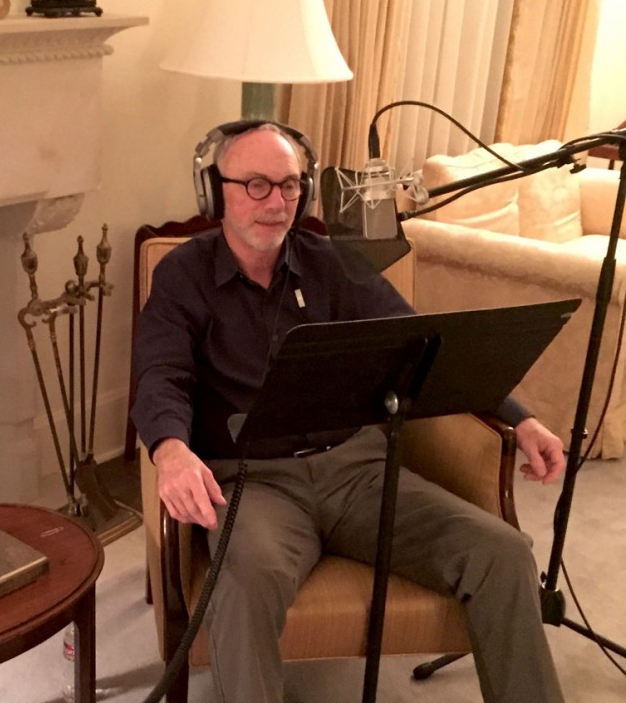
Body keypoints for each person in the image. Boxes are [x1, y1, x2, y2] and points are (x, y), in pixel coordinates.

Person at [131, 120, 566, 703]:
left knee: (502, 553)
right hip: (254, 482)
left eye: (289, 185)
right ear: (214, 191)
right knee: (244, 578)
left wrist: (521, 418)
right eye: (256, 185)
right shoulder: (183, 274)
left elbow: (421, 344)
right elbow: (160, 375)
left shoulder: (330, 262)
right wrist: (171, 449)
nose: (277, 202)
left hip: (359, 471)